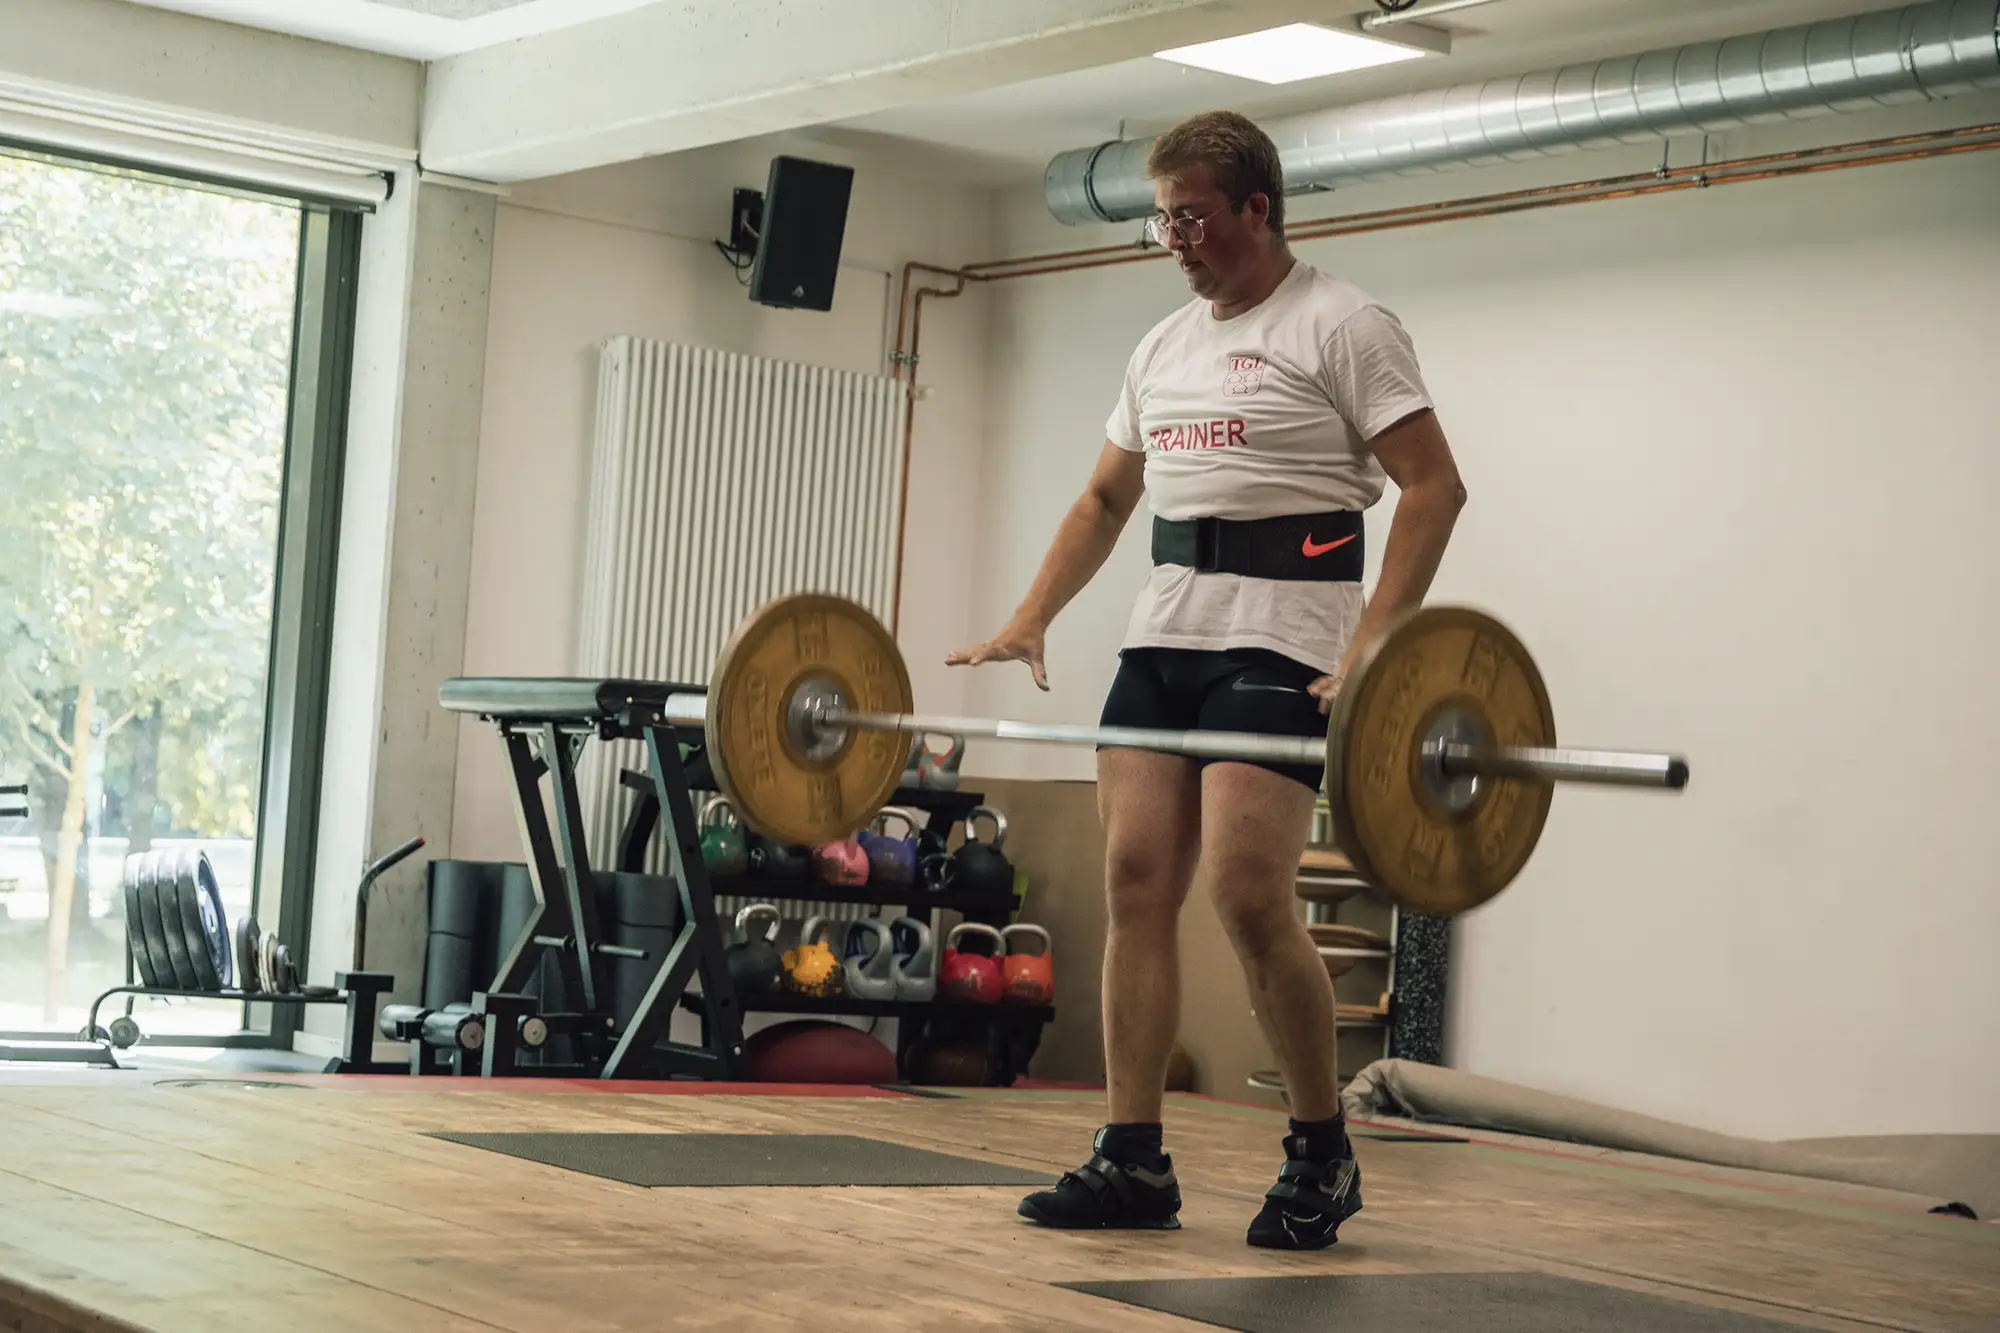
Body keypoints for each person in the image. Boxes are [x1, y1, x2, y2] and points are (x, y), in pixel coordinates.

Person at [945, 109, 1467, 1250]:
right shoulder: (1160, 346)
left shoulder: (1341, 322)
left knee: (1242, 893)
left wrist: (1376, 645)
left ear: (1255, 209)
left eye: (1189, 215)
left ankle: (1320, 1152)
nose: (1173, 237)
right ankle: (1131, 1157)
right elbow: (1102, 501)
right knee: (1135, 877)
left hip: (1284, 639)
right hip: (1164, 634)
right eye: (1161, 219)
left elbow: (1430, 487)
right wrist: (1030, 617)